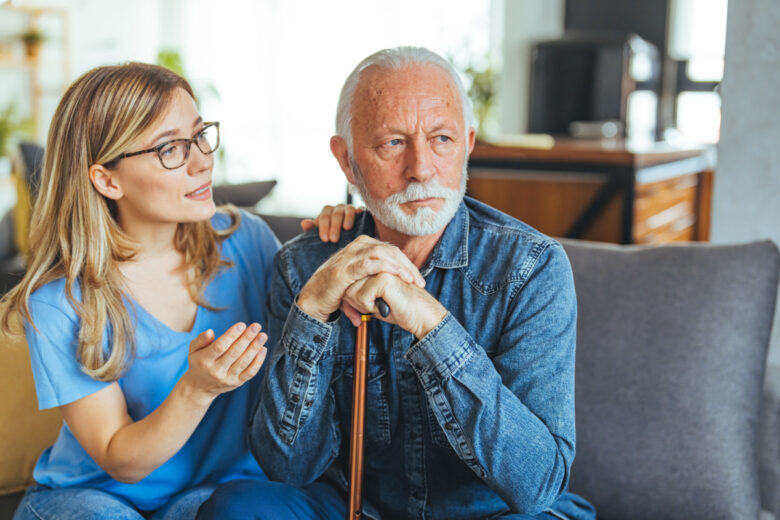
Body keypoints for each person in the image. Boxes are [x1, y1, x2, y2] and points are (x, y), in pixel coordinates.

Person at [198, 47, 596, 519]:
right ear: (347, 162)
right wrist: (311, 312)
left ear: (467, 143)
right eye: (392, 143)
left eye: (442, 139)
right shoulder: (304, 265)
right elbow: (288, 466)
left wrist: (432, 325)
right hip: (352, 507)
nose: (422, 169)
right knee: (239, 508)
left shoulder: (533, 267)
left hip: (491, 513)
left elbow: (538, 485)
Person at [0, 62, 358, 520]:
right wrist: (196, 388)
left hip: (214, 494)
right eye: (170, 148)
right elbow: (118, 457)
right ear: (107, 180)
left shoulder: (245, 239)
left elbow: (313, 341)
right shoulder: (59, 303)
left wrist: (334, 238)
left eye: (199, 135)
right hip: (94, 497)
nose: (202, 160)